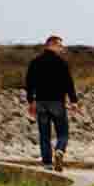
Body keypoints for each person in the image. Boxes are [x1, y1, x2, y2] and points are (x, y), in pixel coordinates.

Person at [24, 35, 79, 168]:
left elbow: (29, 82)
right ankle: (60, 149)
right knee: (63, 133)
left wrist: (31, 101)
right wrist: (73, 101)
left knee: (44, 135)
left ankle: (47, 163)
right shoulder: (61, 63)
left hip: (41, 103)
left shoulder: (35, 62)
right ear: (51, 45)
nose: (61, 48)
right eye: (59, 45)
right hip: (57, 102)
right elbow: (68, 83)